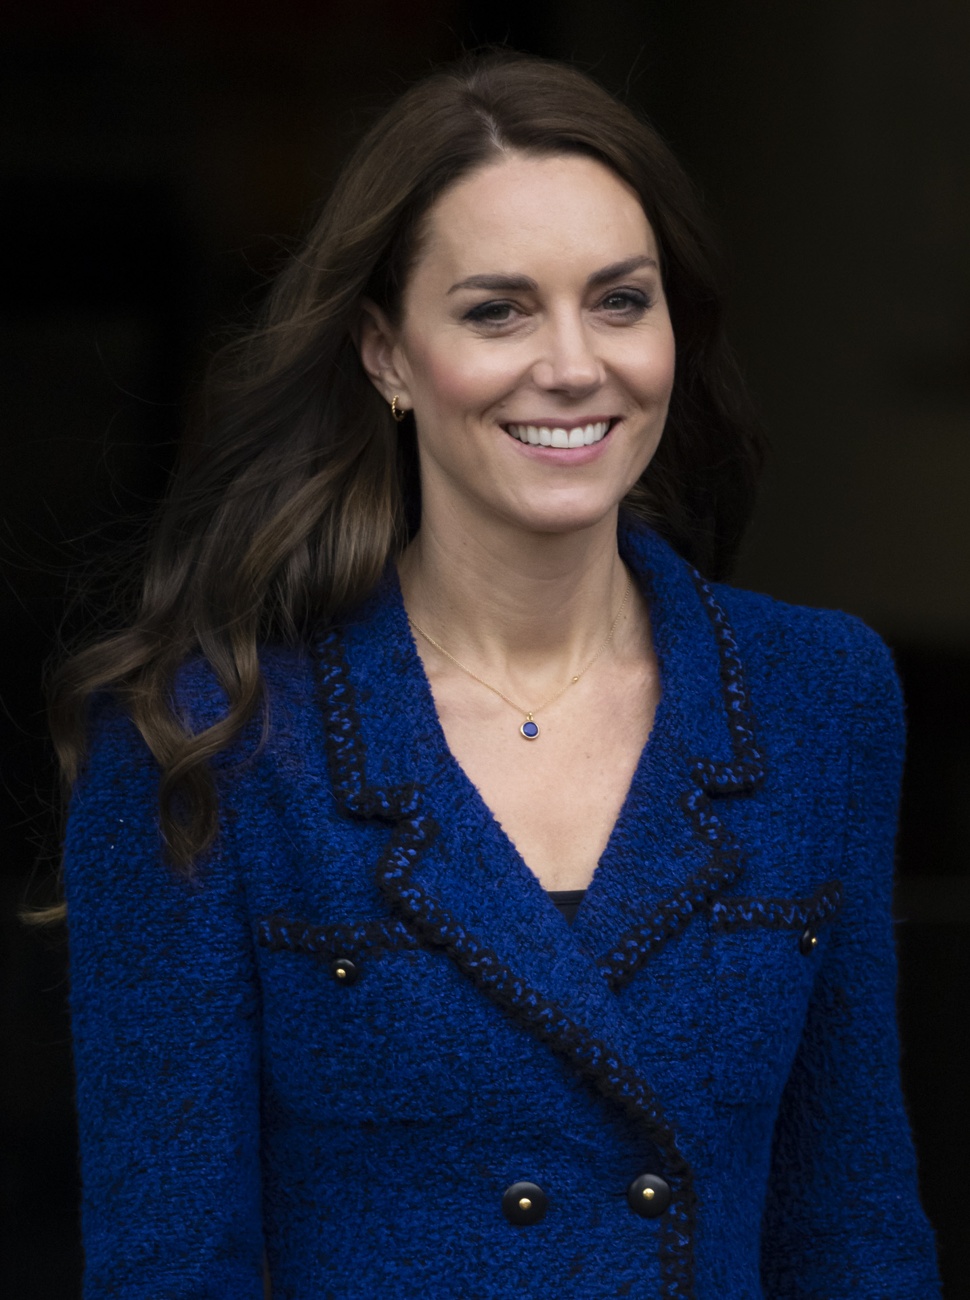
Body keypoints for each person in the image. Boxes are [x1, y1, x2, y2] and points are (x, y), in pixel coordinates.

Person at [53, 51, 940, 1299]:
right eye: (496, 310)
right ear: (387, 355)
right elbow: (170, 1264)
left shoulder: (815, 694)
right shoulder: (203, 733)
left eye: (621, 301)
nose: (574, 363)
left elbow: (851, 1225)